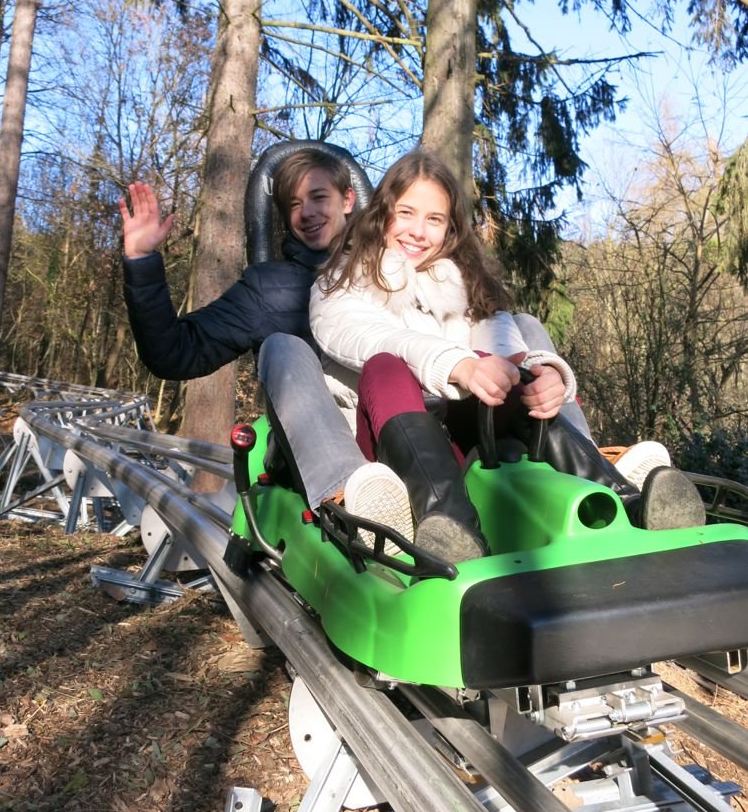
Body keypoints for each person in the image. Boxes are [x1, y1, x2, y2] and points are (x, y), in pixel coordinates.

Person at [310, 149, 706, 564]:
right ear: (382, 214)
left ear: (450, 229)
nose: (418, 231)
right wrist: (458, 365)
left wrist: (540, 376)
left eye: (434, 220)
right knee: (387, 366)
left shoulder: (461, 282)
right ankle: (450, 527)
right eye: (406, 213)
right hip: (392, 446)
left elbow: (502, 343)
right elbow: (368, 337)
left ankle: (628, 502)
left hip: (468, 438)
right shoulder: (339, 282)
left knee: (505, 370)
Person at [119, 148, 396, 505]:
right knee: (285, 347)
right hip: (318, 458)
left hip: (395, 433)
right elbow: (172, 354)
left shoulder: (394, 271)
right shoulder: (268, 290)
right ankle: (353, 499)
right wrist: (142, 262)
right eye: (294, 205)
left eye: (318, 197)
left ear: (348, 199)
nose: (307, 212)